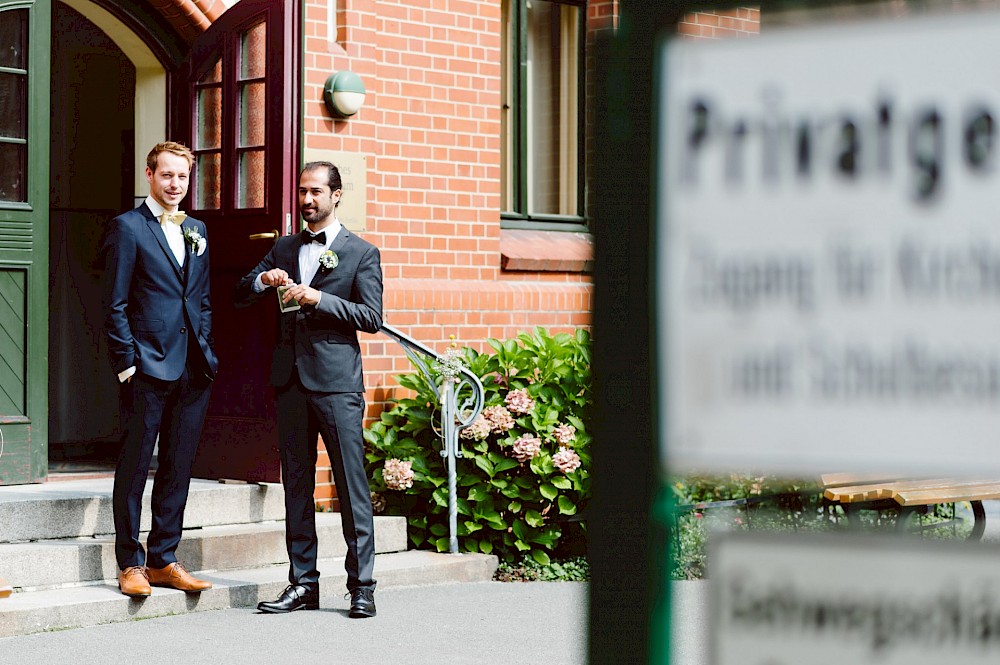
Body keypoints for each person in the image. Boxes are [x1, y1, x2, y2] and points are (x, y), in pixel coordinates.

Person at [234, 161, 383, 618]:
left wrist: (321, 298)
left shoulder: (362, 253)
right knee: (296, 485)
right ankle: (303, 584)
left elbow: (371, 317)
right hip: (290, 381)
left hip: (337, 385)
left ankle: (362, 587)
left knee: (349, 484)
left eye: (316, 191)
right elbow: (240, 291)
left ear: (337, 195)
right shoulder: (282, 247)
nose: (307, 200)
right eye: (302, 191)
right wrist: (264, 280)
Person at [102, 141, 218, 597]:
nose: (175, 185)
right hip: (146, 368)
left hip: (192, 369)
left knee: (178, 465)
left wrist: (207, 351)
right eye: (167, 175)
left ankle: (164, 558)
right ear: (149, 175)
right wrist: (127, 364)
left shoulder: (198, 228)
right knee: (134, 466)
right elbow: (114, 303)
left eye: (183, 177)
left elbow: (201, 299)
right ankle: (130, 563)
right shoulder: (127, 228)